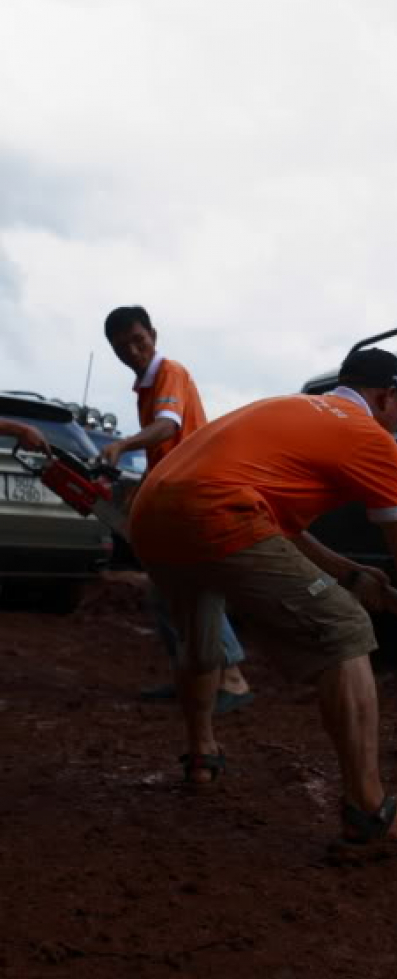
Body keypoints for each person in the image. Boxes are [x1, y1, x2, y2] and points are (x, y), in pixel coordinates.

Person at [130, 347, 397, 858]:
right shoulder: (369, 435)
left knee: (201, 631)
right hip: (217, 510)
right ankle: (369, 812)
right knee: (345, 629)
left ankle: (201, 754)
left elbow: (281, 527)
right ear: (386, 396)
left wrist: (347, 571)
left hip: (152, 510)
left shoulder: (289, 409)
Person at [101, 305, 253, 714]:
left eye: (139, 340)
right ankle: (190, 674)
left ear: (153, 333)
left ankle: (232, 679)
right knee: (165, 592)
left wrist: (120, 445)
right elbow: (166, 449)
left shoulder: (170, 372)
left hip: (194, 495)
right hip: (172, 494)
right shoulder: (145, 386)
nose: (133, 350)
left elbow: (168, 428)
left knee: (191, 587)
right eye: (122, 347)